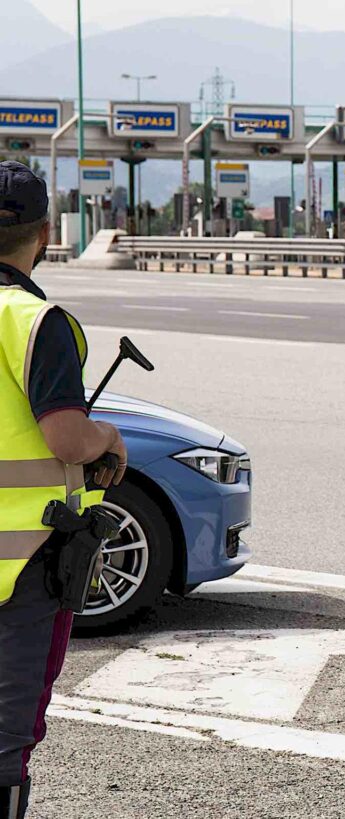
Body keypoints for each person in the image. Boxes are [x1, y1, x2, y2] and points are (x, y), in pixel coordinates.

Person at [0, 161, 127, 818]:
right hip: (22, 563)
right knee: (5, 744)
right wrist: (106, 437)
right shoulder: (34, 319)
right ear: (45, 233)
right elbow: (66, 441)